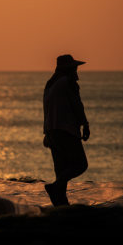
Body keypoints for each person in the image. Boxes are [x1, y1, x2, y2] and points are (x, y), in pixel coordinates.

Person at [43, 54, 90, 206]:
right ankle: (55, 187)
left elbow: (46, 110)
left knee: (61, 169)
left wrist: (46, 133)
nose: (76, 71)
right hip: (66, 130)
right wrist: (85, 124)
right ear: (69, 69)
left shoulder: (50, 84)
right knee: (80, 164)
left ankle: (61, 207)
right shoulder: (68, 82)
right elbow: (77, 105)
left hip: (52, 132)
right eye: (74, 68)